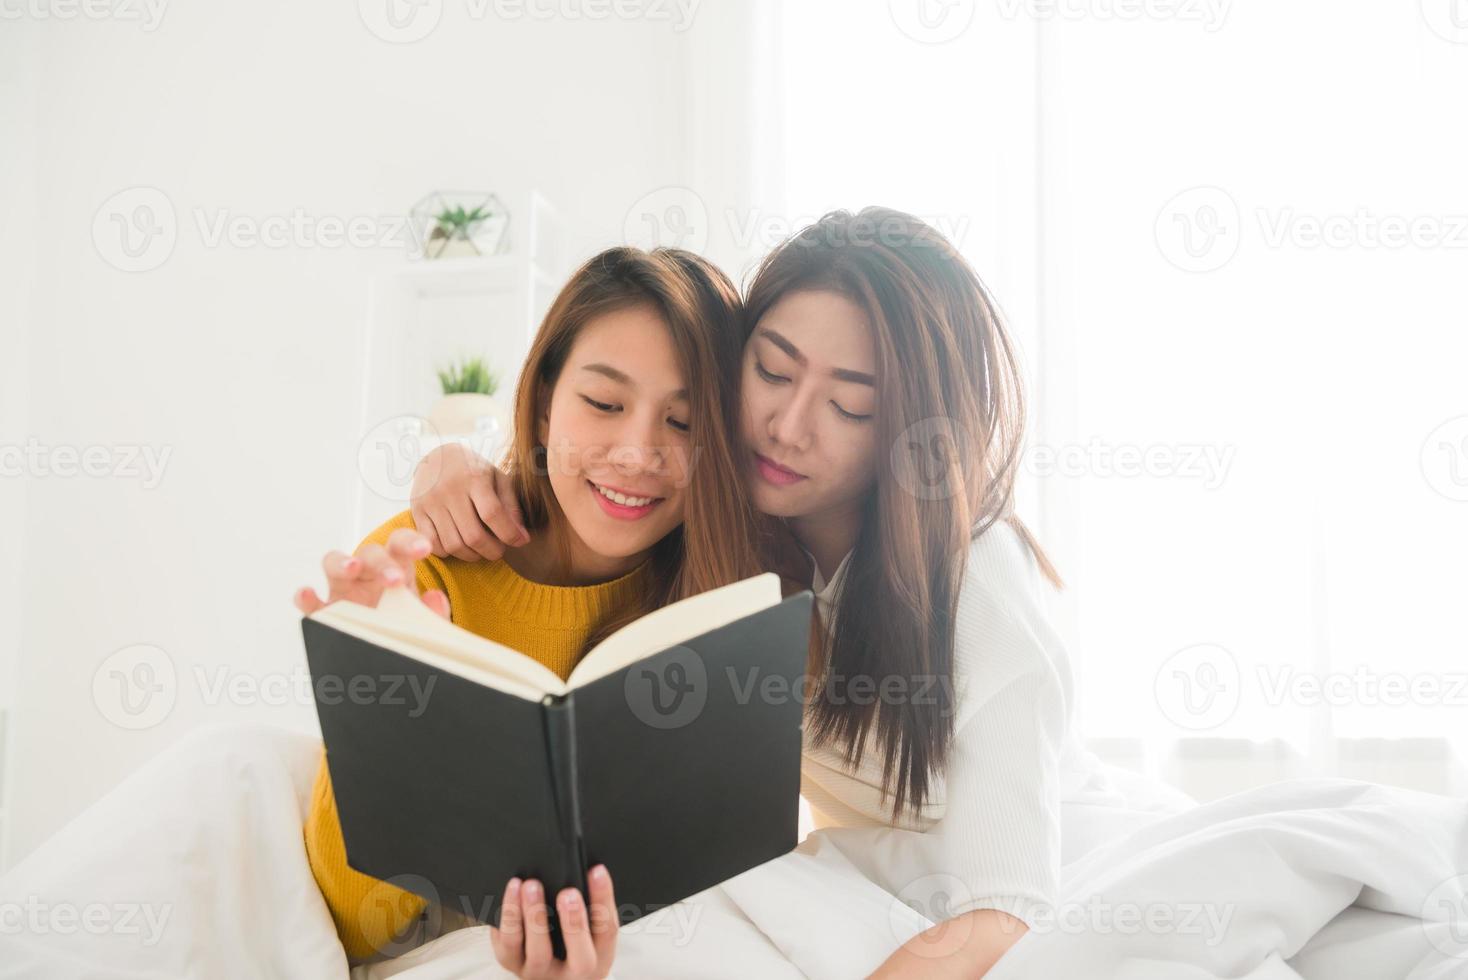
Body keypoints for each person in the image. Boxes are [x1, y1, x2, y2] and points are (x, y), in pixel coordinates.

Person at [410, 208, 1086, 977]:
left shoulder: (975, 577)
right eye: (771, 371)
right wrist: (449, 468)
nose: (787, 427)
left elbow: (1008, 912)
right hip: (835, 883)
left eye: (850, 405)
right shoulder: (721, 525)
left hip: (993, 882)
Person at [293, 245, 762, 976]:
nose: (638, 453)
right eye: (603, 404)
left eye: (685, 422)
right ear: (544, 406)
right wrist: (382, 713)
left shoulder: (723, 607)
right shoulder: (419, 563)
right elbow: (356, 932)